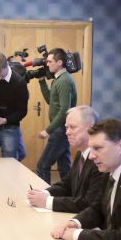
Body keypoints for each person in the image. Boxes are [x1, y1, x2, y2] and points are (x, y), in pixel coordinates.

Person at [27, 105, 105, 213]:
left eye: (72, 127)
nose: (67, 132)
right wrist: (45, 193)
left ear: (90, 128)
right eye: (66, 127)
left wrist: (48, 202)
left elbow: (88, 203)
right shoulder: (81, 154)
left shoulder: (100, 160)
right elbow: (67, 185)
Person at [35, 48, 78, 183]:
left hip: (60, 130)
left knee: (42, 166)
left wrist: (48, 130)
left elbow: (64, 110)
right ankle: (70, 193)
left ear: (59, 62)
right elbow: (50, 100)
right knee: (65, 168)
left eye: (50, 61)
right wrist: (42, 81)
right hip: (62, 129)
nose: (47, 64)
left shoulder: (64, 81)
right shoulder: (58, 79)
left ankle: (44, 194)